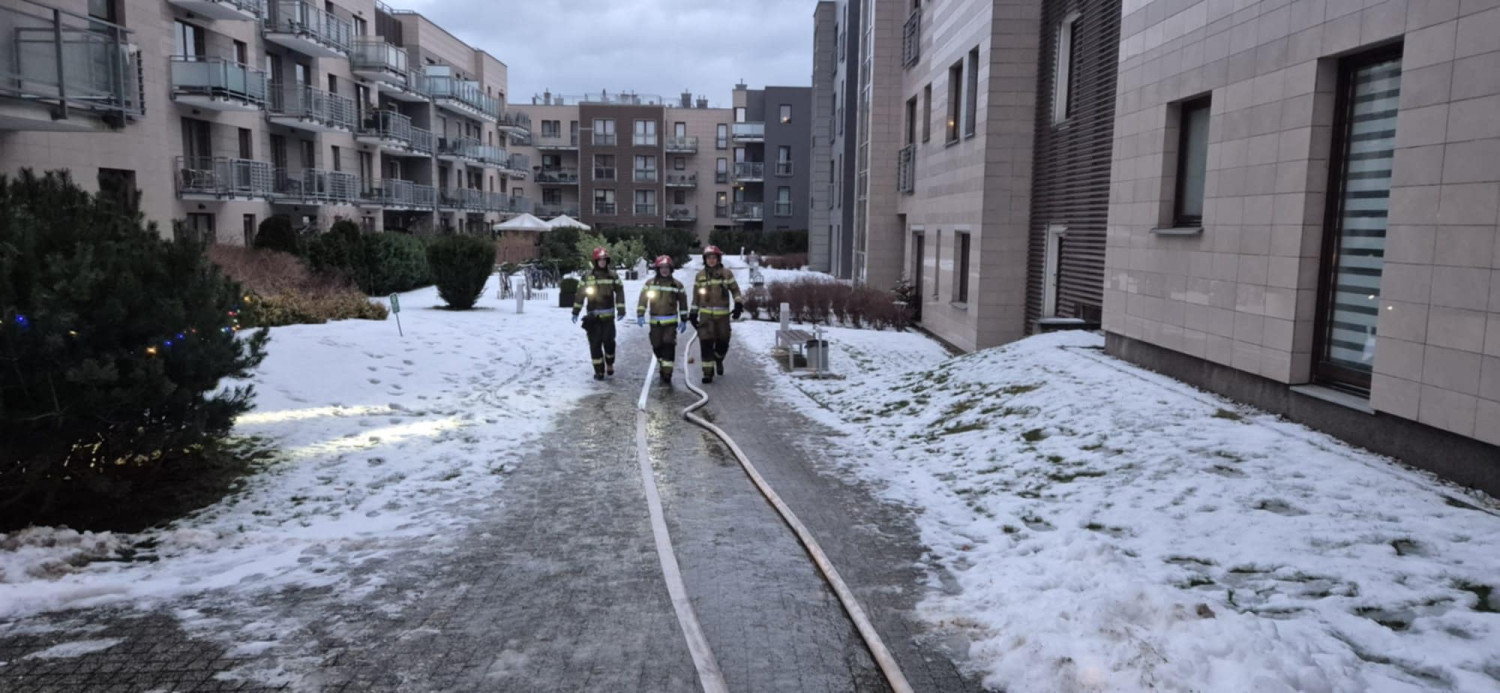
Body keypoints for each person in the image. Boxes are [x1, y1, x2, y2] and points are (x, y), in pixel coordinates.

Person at [688, 245, 743, 384]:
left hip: (723, 317)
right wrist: (693, 313)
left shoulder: (727, 273)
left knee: (723, 342)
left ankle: (718, 359)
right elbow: (696, 297)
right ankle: (707, 373)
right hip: (706, 316)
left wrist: (738, 304)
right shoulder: (700, 276)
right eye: (708, 258)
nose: (711, 260)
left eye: (714, 258)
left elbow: (735, 290)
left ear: (718, 259)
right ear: (704, 259)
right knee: (705, 342)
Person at [571, 247, 626, 380]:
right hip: (593, 319)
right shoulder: (587, 277)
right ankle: (599, 371)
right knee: (595, 345)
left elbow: (619, 291)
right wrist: (576, 311)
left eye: (604, 260)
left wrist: (621, 309)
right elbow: (580, 294)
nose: (602, 262)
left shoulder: (612, 275)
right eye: (600, 260)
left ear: (607, 261)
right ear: (595, 261)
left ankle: (610, 364)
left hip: (608, 318)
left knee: (609, 343)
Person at [636, 255, 690, 385]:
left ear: (671, 269)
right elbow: (643, 300)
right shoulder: (649, 284)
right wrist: (640, 314)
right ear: (658, 269)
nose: (664, 270)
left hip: (670, 323)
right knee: (656, 346)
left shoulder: (677, 285)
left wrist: (684, 319)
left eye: (667, 268)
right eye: (662, 268)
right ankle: (662, 363)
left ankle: (667, 374)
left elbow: (683, 303)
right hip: (655, 323)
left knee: (668, 344)